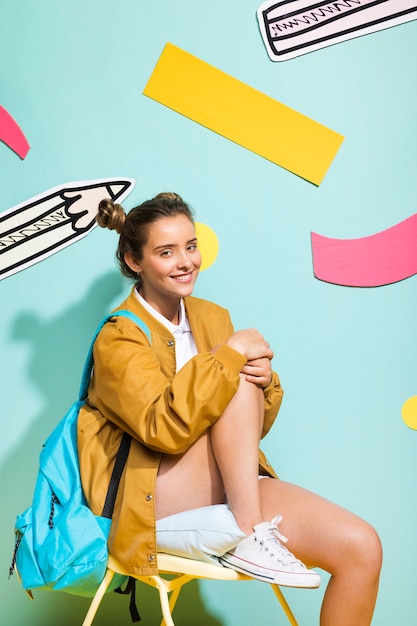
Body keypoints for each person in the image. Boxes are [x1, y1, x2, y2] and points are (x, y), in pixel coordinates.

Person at [78, 192, 382, 625]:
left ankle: (250, 528)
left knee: (361, 547)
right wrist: (231, 359)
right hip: (153, 494)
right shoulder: (119, 338)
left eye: (191, 245)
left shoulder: (212, 317)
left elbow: (247, 429)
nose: (186, 261)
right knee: (233, 373)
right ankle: (252, 532)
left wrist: (266, 382)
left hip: (231, 485)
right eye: (166, 252)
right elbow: (161, 428)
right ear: (134, 261)